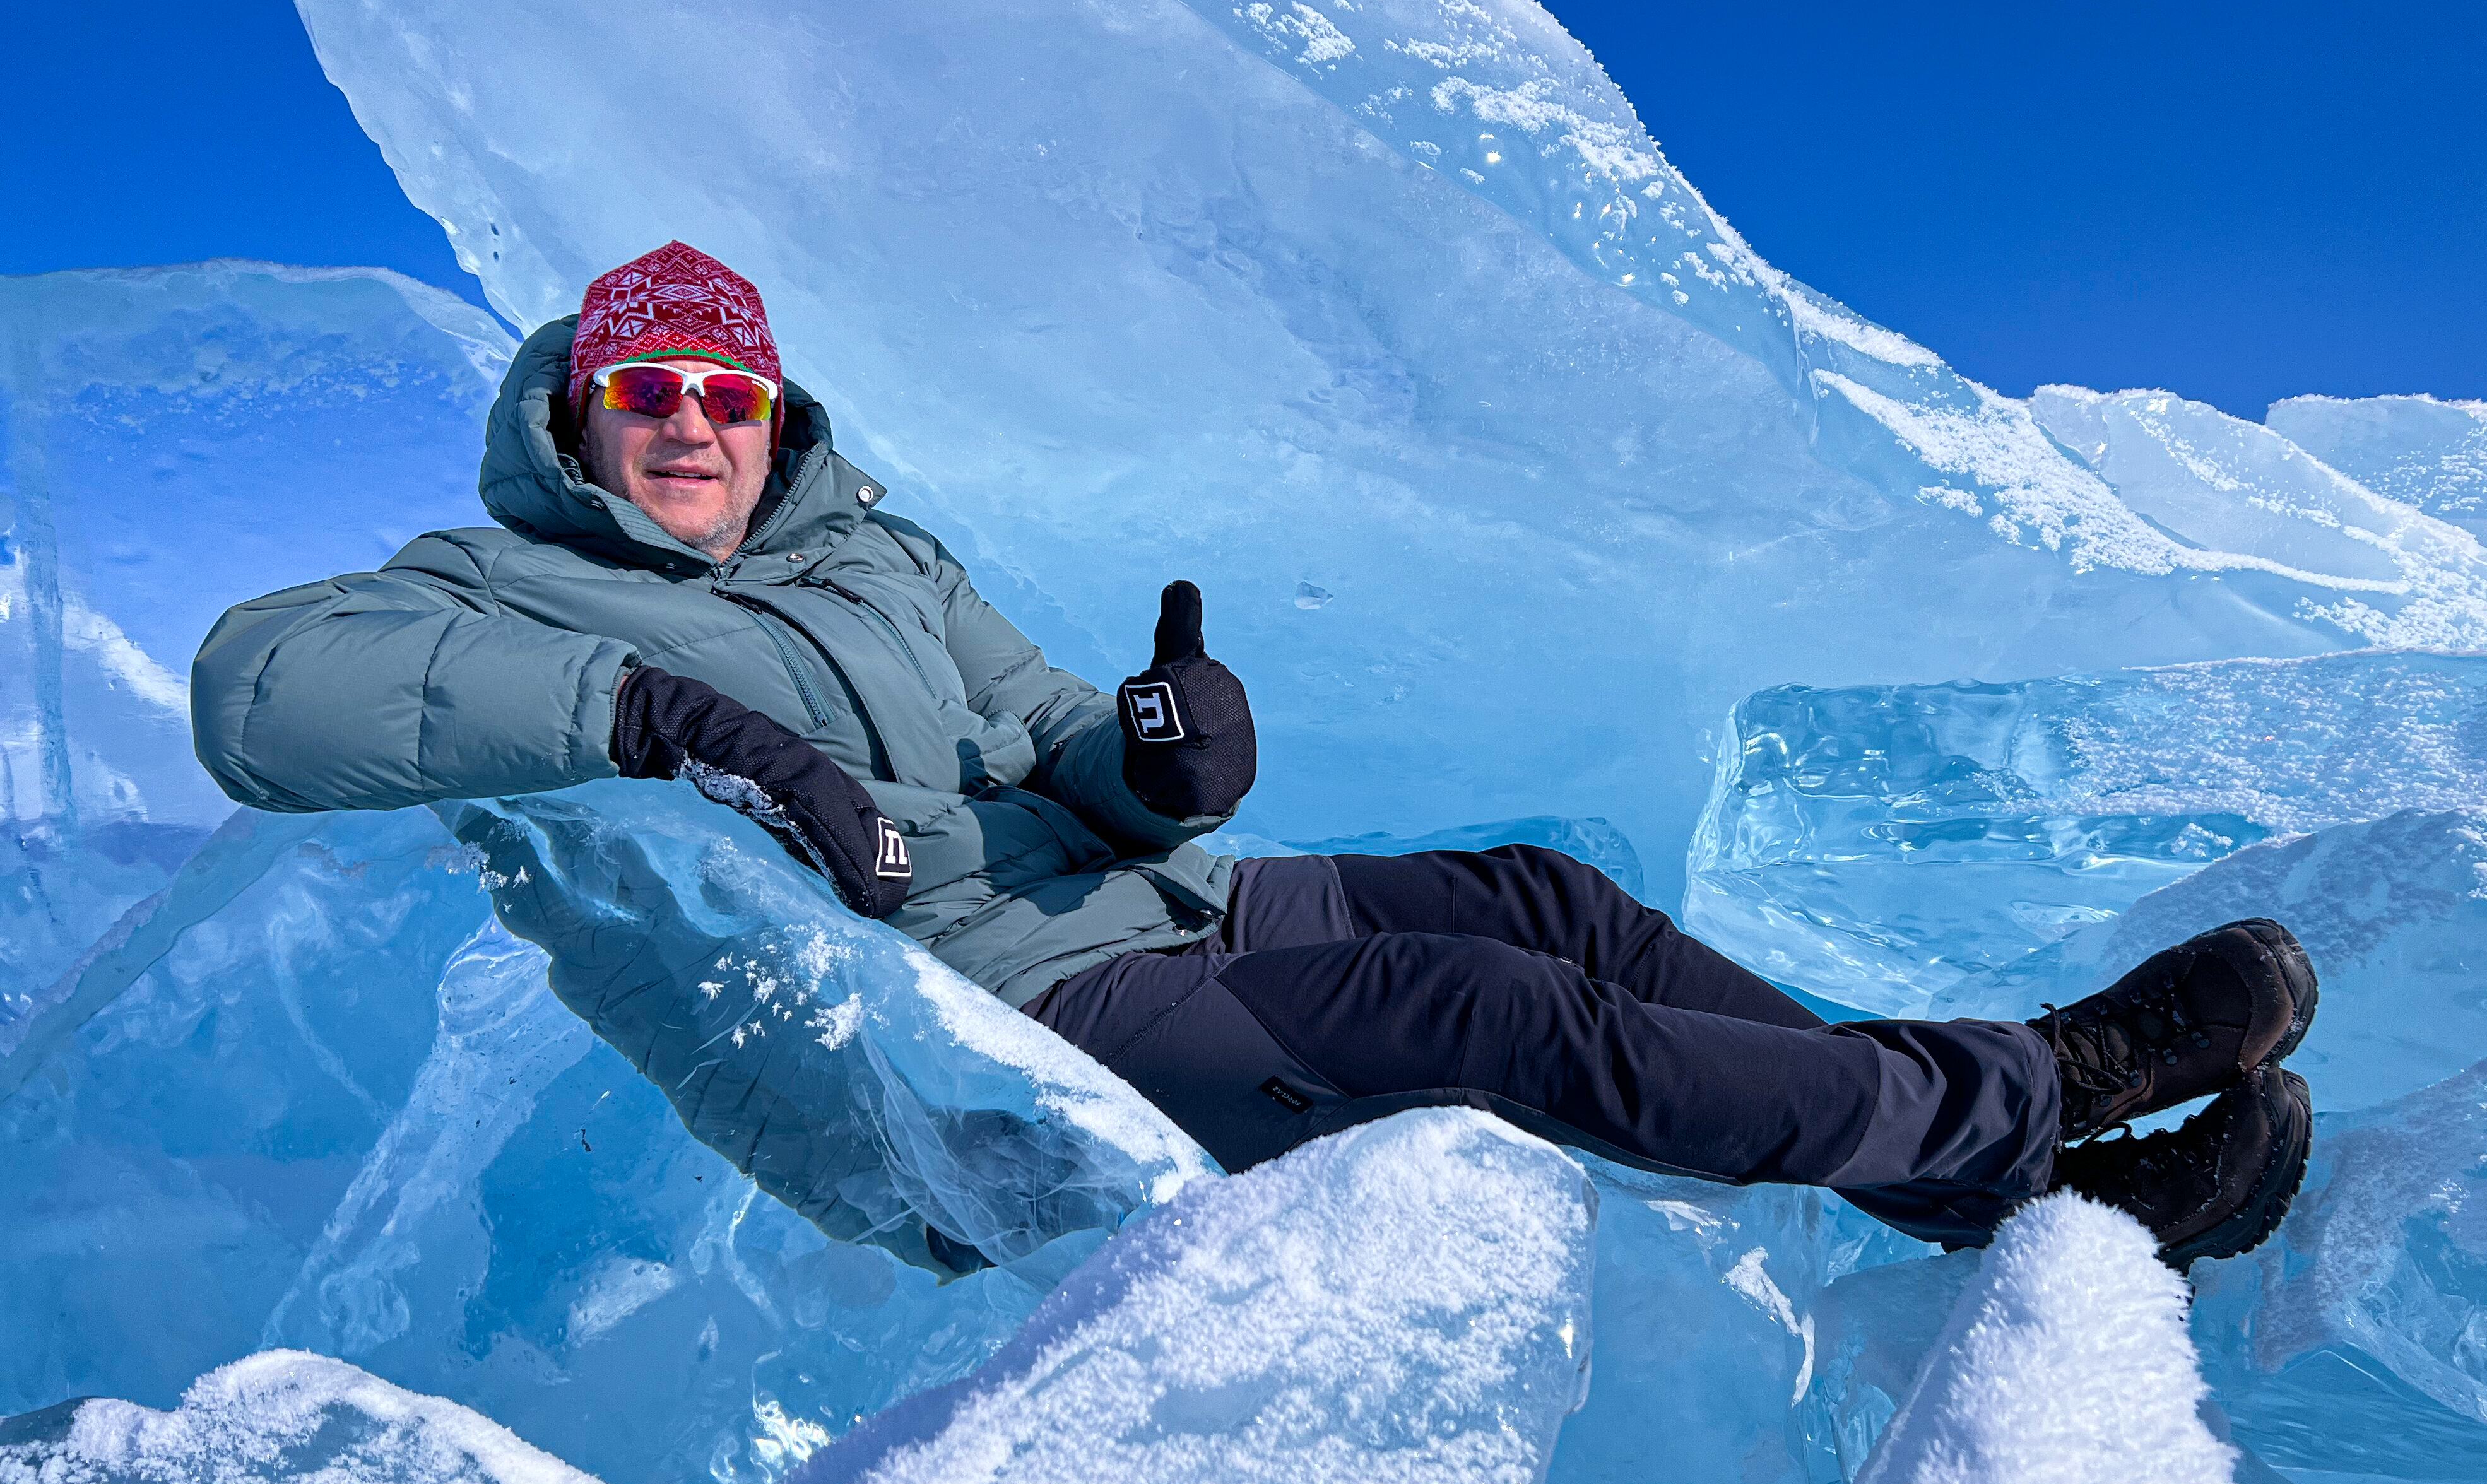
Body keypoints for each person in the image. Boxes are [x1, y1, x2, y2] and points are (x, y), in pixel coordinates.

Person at [193, 242, 2316, 1268]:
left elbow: (1045, 734)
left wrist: (1160, 760)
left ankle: (1967, 1182)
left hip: (1138, 900)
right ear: (576, 417)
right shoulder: (485, 590)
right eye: (643, 390)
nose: (687, 425)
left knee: (1541, 898)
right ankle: (2043, 1099)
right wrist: (654, 714)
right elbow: (256, 703)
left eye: (725, 397)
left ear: (776, 420)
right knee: (1480, 1006)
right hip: (992, 1016)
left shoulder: (877, 554)